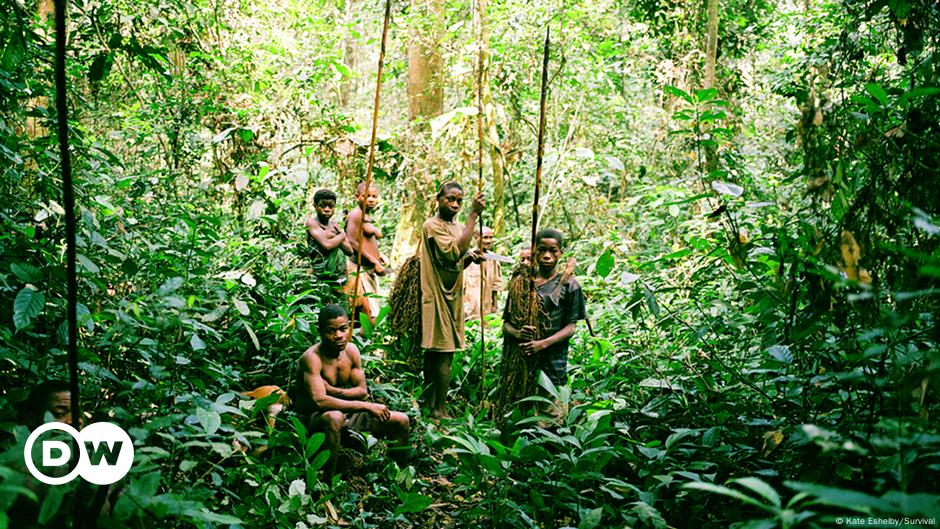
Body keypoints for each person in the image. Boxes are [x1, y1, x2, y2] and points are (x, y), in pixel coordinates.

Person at [294, 304, 410, 482]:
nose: (338, 335)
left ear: (349, 327)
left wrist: (331, 390)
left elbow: (362, 391)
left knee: (401, 420)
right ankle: (328, 483)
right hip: (315, 419)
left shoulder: (351, 351)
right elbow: (319, 401)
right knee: (334, 416)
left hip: (349, 415)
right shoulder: (312, 358)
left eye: (343, 329)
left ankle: (398, 478)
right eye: (331, 331)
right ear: (320, 331)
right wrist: (365, 406)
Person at [418, 181, 485, 419]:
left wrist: (471, 258)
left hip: (453, 295)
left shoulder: (456, 227)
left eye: (459, 200)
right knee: (441, 352)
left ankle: (433, 403)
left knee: (442, 351)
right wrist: (473, 216)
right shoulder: (431, 226)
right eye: (450, 199)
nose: (455, 204)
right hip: (435, 294)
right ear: (439, 199)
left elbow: (455, 261)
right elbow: (454, 251)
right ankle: (437, 408)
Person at [502, 229, 586, 387]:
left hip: (552, 368)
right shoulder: (521, 284)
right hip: (519, 368)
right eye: (541, 250)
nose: (547, 255)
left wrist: (542, 344)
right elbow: (506, 324)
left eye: (552, 251)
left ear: (560, 253)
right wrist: (519, 334)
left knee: (550, 408)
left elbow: (571, 327)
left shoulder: (570, 286)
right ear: (534, 252)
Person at [344, 182, 387, 325]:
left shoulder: (366, 215)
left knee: (368, 313)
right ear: (357, 197)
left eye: (374, 196)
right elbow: (353, 242)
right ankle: (364, 344)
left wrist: (378, 256)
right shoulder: (356, 215)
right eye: (366, 196)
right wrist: (374, 261)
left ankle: (363, 343)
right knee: (369, 315)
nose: (371, 200)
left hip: (369, 269)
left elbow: (366, 240)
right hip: (358, 268)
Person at [306, 189, 352, 300]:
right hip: (320, 276)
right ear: (315, 206)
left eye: (330, 206)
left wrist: (334, 237)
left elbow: (350, 251)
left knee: (339, 305)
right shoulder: (312, 223)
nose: (327, 210)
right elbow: (326, 245)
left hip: (339, 276)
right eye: (322, 206)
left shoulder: (334, 225)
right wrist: (341, 235)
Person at [463, 226, 504, 319]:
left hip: (487, 306)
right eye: (485, 237)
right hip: (470, 307)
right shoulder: (468, 257)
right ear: (476, 237)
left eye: (491, 237)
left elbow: (496, 284)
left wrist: (494, 304)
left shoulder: (493, 258)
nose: (488, 241)